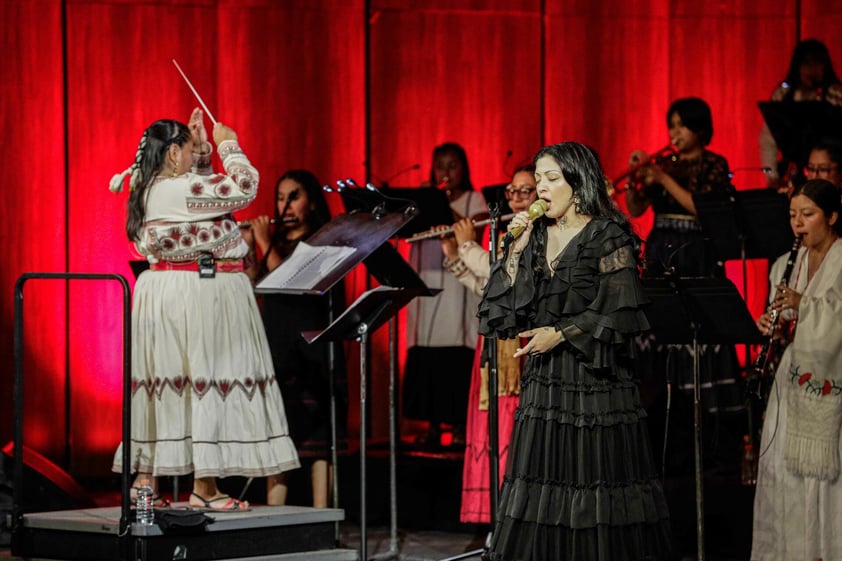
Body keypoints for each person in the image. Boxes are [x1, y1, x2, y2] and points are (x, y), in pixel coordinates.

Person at [478, 142, 671, 560]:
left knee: (592, 482)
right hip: (546, 385)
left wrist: (561, 334)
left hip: (595, 380)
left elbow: (619, 311)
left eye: (551, 179)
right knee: (543, 483)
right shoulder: (536, 235)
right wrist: (513, 250)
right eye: (539, 180)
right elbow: (503, 312)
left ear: (577, 183)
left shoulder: (608, 234)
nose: (540, 189)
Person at [108, 109, 300, 511]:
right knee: (207, 383)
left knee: (168, 383)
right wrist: (228, 141)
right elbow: (243, 188)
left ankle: (146, 482)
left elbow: (200, 198)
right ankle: (206, 487)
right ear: (174, 153)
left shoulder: (151, 185)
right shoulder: (180, 189)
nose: (197, 153)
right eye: (190, 149)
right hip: (201, 293)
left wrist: (201, 153)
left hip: (168, 290)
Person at [242, 169, 347, 508]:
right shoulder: (275, 241)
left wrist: (261, 242)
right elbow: (253, 283)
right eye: (279, 197)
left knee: (318, 448)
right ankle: (276, 522)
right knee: (279, 442)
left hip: (313, 355)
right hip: (278, 351)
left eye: (294, 196)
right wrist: (247, 249)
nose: (284, 205)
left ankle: (323, 522)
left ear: (311, 201)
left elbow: (291, 284)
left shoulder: (324, 241)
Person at [439, 164, 537, 523]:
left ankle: (519, 518)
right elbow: (491, 291)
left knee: (516, 430)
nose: (515, 199)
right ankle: (496, 520)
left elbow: (503, 273)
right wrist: (455, 258)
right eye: (512, 192)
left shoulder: (539, 234)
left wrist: (466, 243)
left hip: (523, 345)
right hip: (495, 344)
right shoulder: (509, 231)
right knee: (492, 427)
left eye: (525, 192)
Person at [751, 178, 842, 561]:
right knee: (786, 473)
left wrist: (803, 305)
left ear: (832, 216)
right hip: (792, 379)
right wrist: (771, 324)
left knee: (827, 481)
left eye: (808, 214)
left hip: (831, 381)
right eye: (792, 215)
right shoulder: (784, 265)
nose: (798, 224)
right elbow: (788, 317)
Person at [403, 142, 488, 448]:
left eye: (453, 165)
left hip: (457, 287)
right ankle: (433, 425)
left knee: (454, 357)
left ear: (463, 168)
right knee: (426, 353)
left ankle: (460, 425)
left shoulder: (473, 199)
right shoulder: (421, 200)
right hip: (426, 284)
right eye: (441, 165)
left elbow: (474, 232)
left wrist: (438, 202)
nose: (446, 172)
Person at [759, 39, 842, 189]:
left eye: (817, 64)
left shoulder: (836, 94)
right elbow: (768, 140)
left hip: (830, 175)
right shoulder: (783, 95)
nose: (812, 70)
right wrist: (772, 177)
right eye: (806, 64)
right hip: (794, 173)